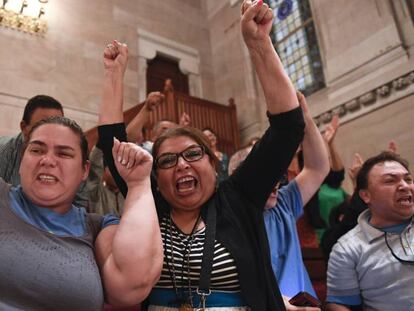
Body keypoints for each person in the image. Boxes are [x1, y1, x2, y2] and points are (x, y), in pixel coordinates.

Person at [98, 1, 305, 309]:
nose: (181, 164)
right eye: (167, 160)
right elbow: (111, 144)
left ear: (212, 161)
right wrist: (115, 74)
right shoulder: (148, 203)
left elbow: (288, 127)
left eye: (193, 154)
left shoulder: (239, 198)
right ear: (156, 176)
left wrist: (260, 44)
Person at [0, 116, 163, 310]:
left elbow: (131, 286)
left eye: (64, 154)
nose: (47, 160)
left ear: (84, 170)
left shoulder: (98, 227)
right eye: (36, 150)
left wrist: (138, 184)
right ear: (21, 161)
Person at [229, 91, 329, 309]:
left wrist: (305, 117)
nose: (274, 181)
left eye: (277, 174)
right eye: (264, 174)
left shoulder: (282, 203)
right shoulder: (227, 215)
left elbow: (318, 167)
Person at [325, 151, 414, 311]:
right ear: (366, 196)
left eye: (408, 179)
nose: (405, 186)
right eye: (390, 181)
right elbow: (339, 303)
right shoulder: (347, 249)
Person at [0, 94, 63, 186]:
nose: (51, 134)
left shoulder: (71, 157)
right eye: (41, 127)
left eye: (57, 128)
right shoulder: (4, 153)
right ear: (24, 127)